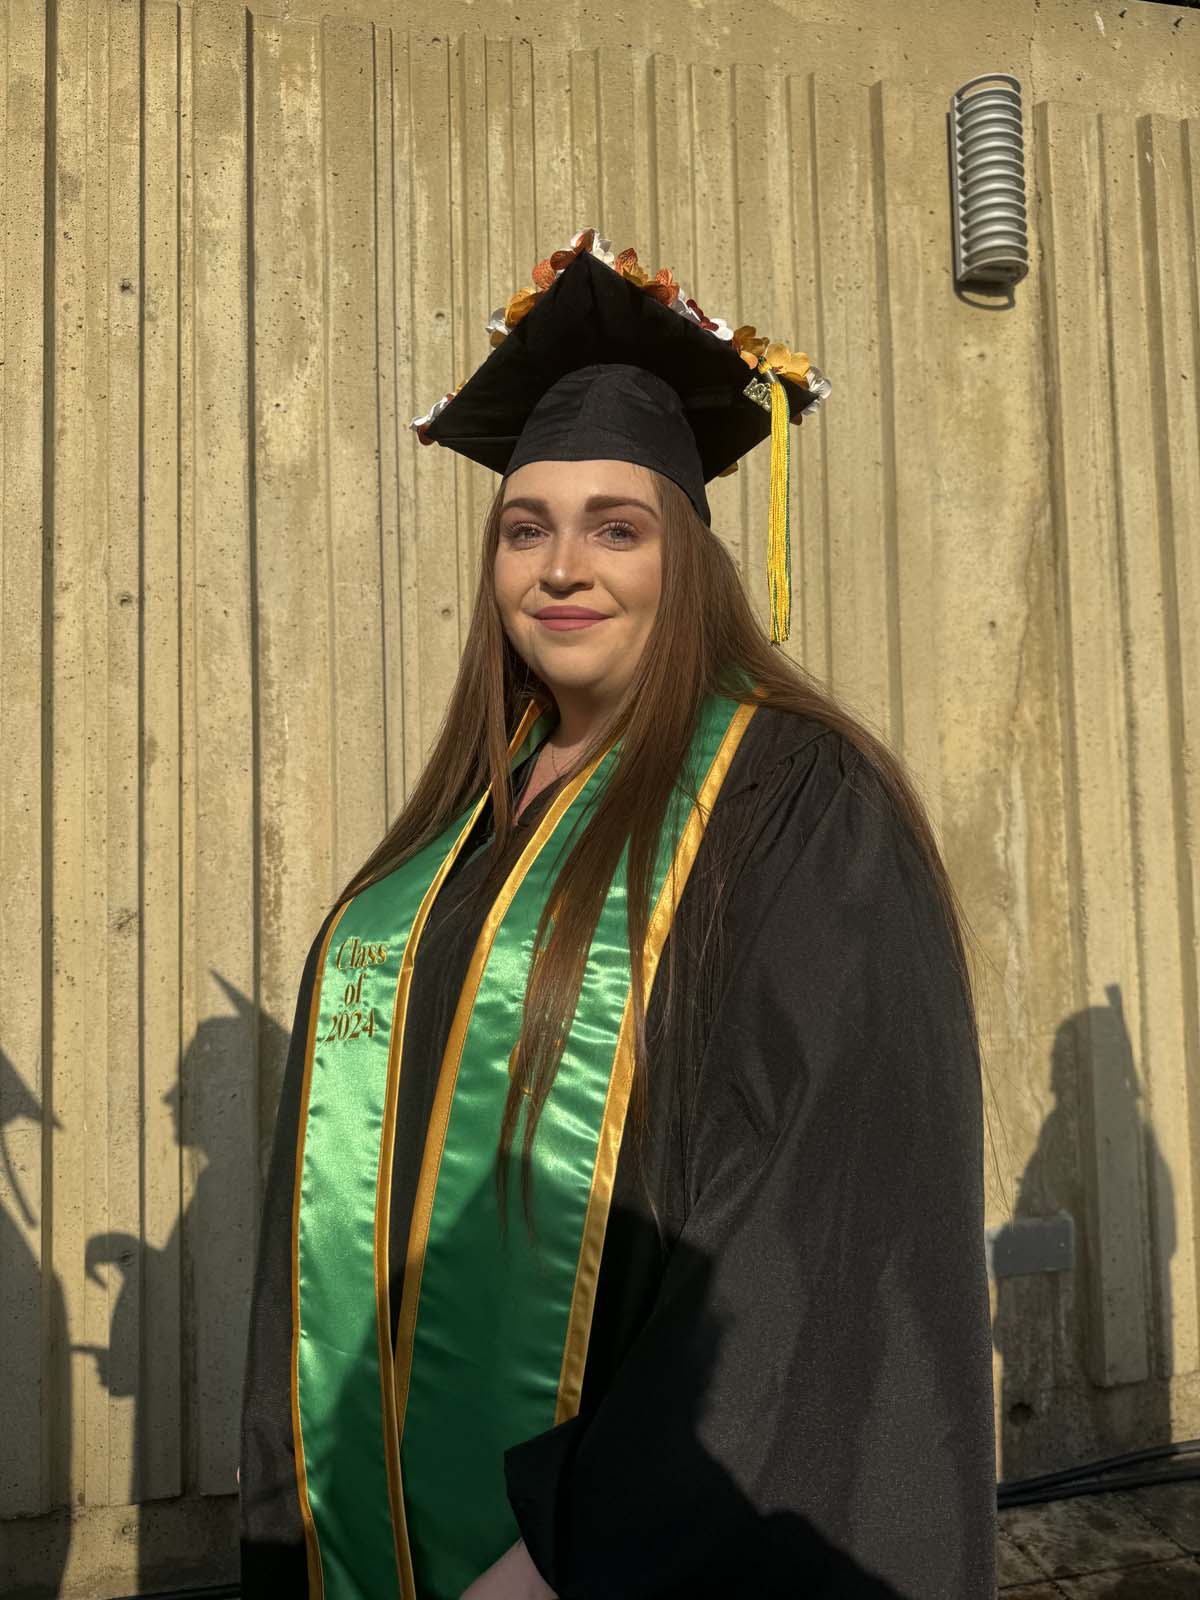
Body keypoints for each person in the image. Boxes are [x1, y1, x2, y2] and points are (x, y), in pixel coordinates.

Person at [238, 227, 996, 1599]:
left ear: (688, 559)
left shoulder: (792, 802)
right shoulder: (451, 837)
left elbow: (818, 1232)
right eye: (526, 528)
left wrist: (566, 1547)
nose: (562, 567)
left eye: (617, 528)